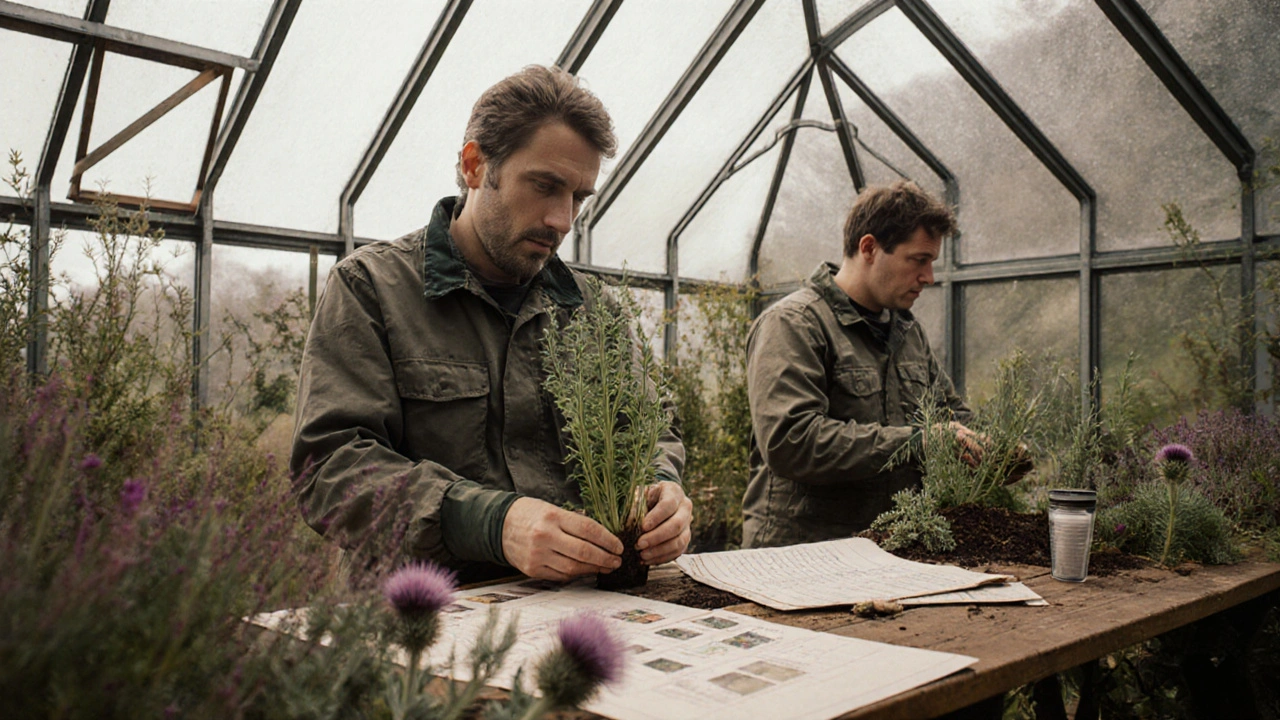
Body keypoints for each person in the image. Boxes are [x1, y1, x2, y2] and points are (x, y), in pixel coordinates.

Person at [291, 65, 691, 583]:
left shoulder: (596, 313)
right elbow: (330, 469)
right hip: (420, 621)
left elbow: (652, 431)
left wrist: (662, 488)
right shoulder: (371, 289)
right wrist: (493, 523)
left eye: (578, 197)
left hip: (576, 612)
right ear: (475, 164)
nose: (562, 219)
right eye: (545, 186)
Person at [742, 180, 982, 548]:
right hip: (802, 555)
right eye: (919, 260)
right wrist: (919, 441)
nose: (929, 278)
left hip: (886, 553)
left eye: (932, 263)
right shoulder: (795, 324)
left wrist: (991, 446)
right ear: (869, 248)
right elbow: (791, 441)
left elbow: (952, 416)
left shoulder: (907, 333)